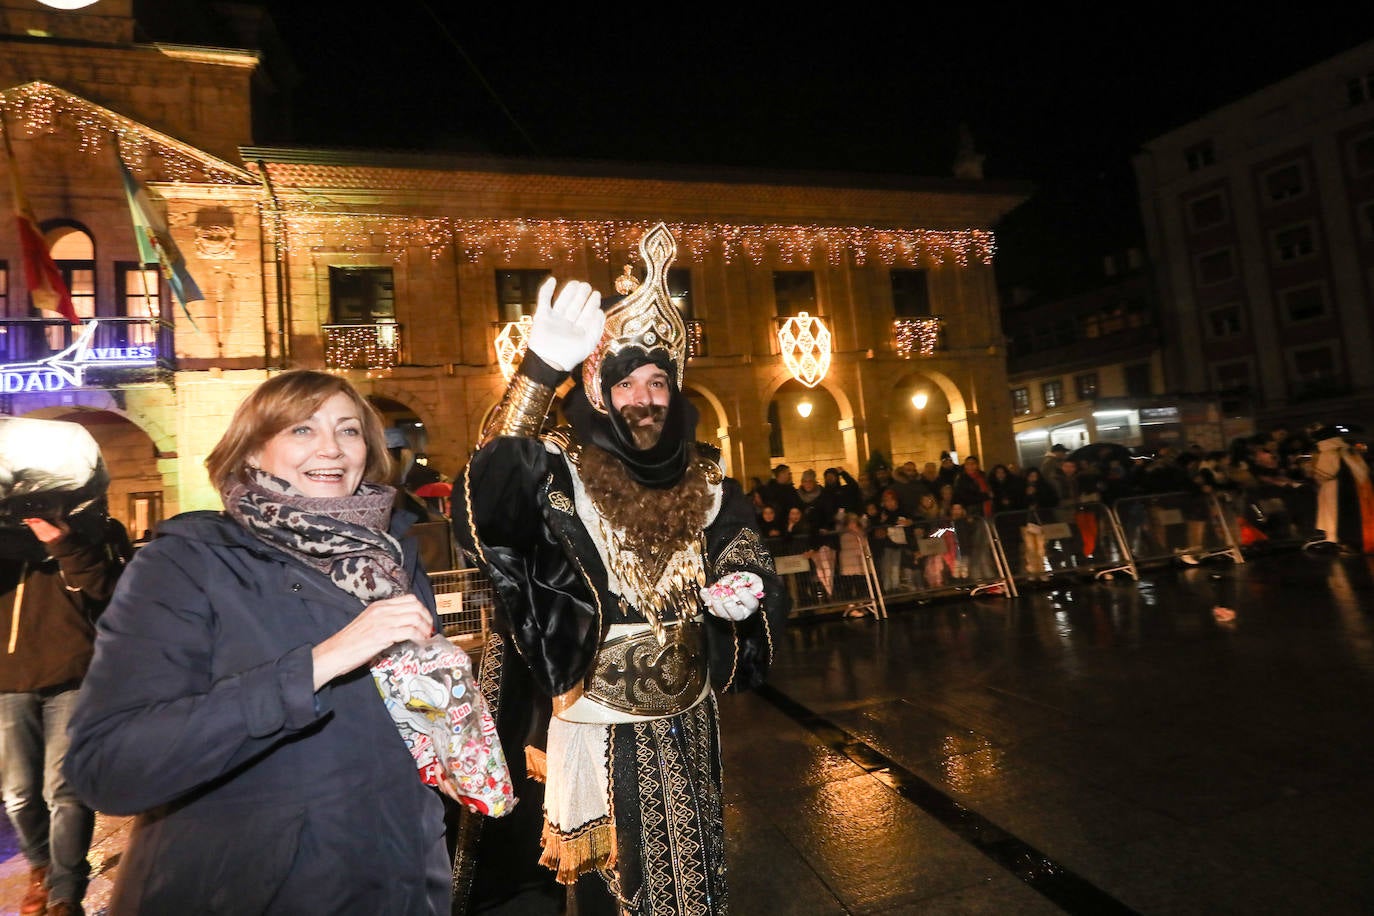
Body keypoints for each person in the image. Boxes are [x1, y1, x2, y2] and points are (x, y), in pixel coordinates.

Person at [454, 224, 787, 915]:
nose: (645, 397)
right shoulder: (558, 466)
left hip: (690, 712)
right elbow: (490, 503)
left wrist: (747, 579)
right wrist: (540, 371)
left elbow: (739, 537)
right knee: (617, 885)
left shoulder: (704, 471)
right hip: (596, 718)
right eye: (627, 381)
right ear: (600, 391)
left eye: (658, 380)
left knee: (695, 862)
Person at [64, 370, 455, 914]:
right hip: (253, 891)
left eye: (349, 431)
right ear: (251, 452)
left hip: (397, 882)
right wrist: (317, 665)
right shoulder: (186, 563)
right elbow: (108, 767)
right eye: (301, 430)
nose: (331, 448)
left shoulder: (392, 560)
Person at [1, 492, 128, 916]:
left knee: (65, 791)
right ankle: (41, 865)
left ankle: (64, 891)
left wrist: (61, 541)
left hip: (72, 679)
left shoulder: (93, 532)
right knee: (18, 794)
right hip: (7, 684)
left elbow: (105, 590)